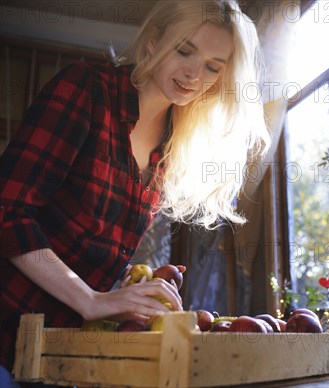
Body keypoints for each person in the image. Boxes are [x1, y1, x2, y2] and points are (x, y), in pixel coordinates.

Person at [0, 0, 269, 373]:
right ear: (153, 42)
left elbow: (83, 245)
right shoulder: (86, 90)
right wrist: (91, 298)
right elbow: (8, 212)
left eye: (212, 67)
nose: (194, 73)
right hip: (7, 332)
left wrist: (120, 283)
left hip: (59, 352)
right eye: (185, 50)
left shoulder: (172, 146)